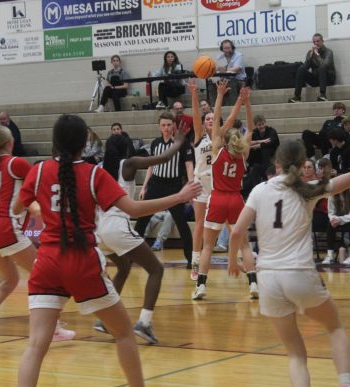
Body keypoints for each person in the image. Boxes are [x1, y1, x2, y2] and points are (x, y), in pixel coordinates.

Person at [13, 114, 200, 387]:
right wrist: (179, 196)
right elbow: (134, 209)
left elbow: (18, 206)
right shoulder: (93, 174)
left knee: (36, 344)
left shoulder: (38, 171)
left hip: (47, 261)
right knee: (124, 333)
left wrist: (48, 213)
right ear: (84, 144)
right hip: (81, 261)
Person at [227, 116, 350, 387]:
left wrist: (232, 261)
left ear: (277, 164)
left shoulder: (259, 190)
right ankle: (346, 386)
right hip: (299, 273)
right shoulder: (308, 190)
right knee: (335, 327)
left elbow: (238, 230)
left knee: (295, 353)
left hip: (267, 279)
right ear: (302, 166)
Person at [0, 126, 76, 351]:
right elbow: (39, 187)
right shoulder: (17, 163)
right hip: (6, 227)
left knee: (9, 279)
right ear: (11, 142)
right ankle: (51, 328)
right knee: (47, 276)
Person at [95, 129, 190, 344]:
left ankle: (105, 320)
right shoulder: (126, 164)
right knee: (156, 269)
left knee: (124, 267)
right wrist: (178, 142)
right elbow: (163, 159)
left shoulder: (101, 170)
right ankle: (144, 323)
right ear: (125, 148)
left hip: (100, 228)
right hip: (117, 225)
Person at [192, 83, 258, 301]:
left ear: (223, 137)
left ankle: (201, 286)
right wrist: (246, 102)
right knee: (245, 245)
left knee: (208, 245)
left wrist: (220, 95)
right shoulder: (244, 152)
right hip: (237, 200)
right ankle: (253, 284)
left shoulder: (217, 148)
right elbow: (249, 126)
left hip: (218, 198)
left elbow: (218, 115)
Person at [187, 78, 242, 280]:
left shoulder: (221, 136)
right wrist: (194, 94)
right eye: (207, 119)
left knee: (231, 224)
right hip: (202, 184)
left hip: (219, 185)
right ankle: (195, 262)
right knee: (199, 224)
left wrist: (239, 102)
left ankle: (241, 258)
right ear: (203, 123)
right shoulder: (199, 136)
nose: (210, 120)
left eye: (213, 118)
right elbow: (195, 115)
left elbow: (233, 117)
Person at [134, 112, 195, 269]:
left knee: (182, 224)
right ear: (159, 126)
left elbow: (189, 165)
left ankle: (191, 259)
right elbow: (151, 166)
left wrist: (191, 184)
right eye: (163, 125)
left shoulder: (182, 143)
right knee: (141, 220)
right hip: (155, 185)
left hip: (174, 186)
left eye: (169, 125)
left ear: (174, 125)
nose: (166, 128)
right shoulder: (155, 144)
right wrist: (145, 187)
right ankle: (132, 255)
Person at [322, 185, 350, 265]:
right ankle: (330, 255)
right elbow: (331, 212)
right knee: (330, 224)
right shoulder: (332, 190)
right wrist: (333, 219)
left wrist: (339, 220)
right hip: (341, 217)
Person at [289, 33, 336, 103]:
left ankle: (323, 95)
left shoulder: (328, 52)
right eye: (314, 42)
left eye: (318, 41)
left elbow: (325, 65)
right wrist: (310, 57)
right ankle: (297, 96)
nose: (316, 43)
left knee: (321, 68)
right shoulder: (310, 52)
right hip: (316, 79)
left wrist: (317, 55)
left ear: (322, 41)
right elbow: (305, 67)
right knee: (301, 69)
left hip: (328, 79)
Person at [246, 114, 280, 190]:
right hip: (257, 160)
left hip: (270, 158)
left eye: (263, 124)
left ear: (265, 123)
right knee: (254, 166)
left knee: (265, 150)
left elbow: (272, 142)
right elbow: (246, 142)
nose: (261, 126)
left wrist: (258, 146)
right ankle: (258, 189)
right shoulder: (254, 133)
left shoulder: (271, 131)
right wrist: (261, 142)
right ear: (255, 126)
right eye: (259, 125)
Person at [215, 39, 246, 106]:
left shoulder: (238, 55)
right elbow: (217, 69)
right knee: (216, 84)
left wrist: (225, 69)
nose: (227, 50)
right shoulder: (220, 57)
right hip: (224, 80)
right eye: (225, 48)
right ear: (222, 49)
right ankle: (217, 107)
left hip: (239, 80)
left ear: (232, 47)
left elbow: (236, 69)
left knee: (231, 82)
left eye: (228, 48)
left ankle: (234, 106)